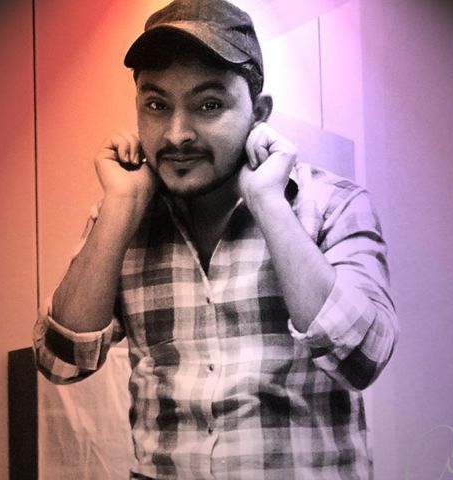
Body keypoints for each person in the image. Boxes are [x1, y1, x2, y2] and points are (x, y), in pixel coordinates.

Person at [33, 0, 399, 478]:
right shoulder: (123, 216)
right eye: (157, 105)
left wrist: (269, 204)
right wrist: (121, 205)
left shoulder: (332, 204)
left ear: (258, 113)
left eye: (209, 105)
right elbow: (59, 364)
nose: (177, 134)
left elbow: (363, 360)